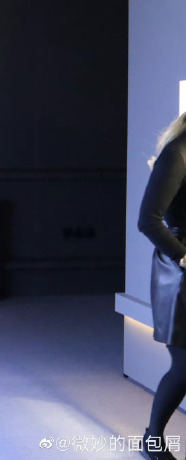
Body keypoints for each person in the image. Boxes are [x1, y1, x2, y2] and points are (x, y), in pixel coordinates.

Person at [138, 111, 186, 460]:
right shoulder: (177, 153)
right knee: (185, 366)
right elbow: (149, 221)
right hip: (179, 276)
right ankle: (153, 440)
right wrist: (184, 257)